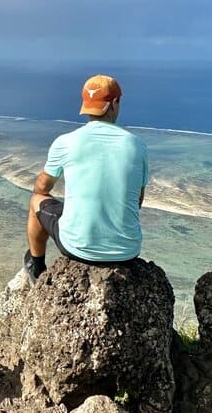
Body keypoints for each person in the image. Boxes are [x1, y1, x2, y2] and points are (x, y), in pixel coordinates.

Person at [24, 74, 148, 282]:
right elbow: (137, 202)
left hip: (77, 248)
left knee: (36, 200)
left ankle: (36, 267)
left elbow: (42, 187)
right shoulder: (138, 145)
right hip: (128, 251)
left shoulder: (66, 142)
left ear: (86, 104)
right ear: (114, 103)